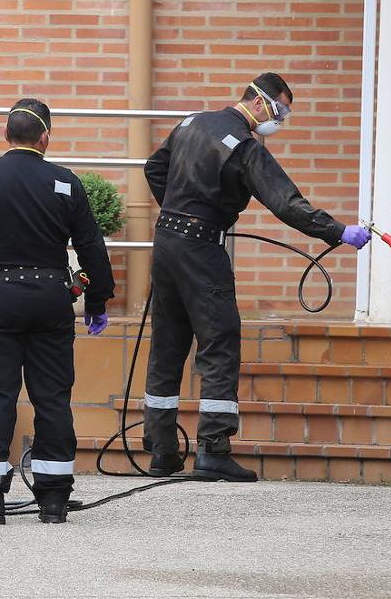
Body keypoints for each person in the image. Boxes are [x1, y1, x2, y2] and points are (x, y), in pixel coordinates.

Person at [142, 73, 371, 482]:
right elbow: (286, 203)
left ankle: (161, 451)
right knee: (220, 340)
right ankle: (213, 450)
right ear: (262, 102)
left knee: (167, 343)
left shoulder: (192, 122)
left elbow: (153, 169)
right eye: (281, 111)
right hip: (200, 250)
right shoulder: (246, 147)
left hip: (166, 243)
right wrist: (338, 231)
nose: (279, 120)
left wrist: (181, 211)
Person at [0, 98, 115, 524]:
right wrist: (99, 300)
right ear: (45, 137)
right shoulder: (65, 182)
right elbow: (91, 246)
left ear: (5, 135)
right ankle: (53, 500)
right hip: (52, 299)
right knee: (52, 396)